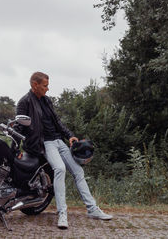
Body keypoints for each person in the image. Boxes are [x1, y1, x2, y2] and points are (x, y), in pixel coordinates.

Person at [15, 71, 112, 229]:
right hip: (45, 143)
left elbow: (57, 122)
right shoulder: (24, 102)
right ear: (35, 85)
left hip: (59, 141)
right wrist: (15, 148)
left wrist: (70, 136)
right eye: (45, 85)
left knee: (78, 172)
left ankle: (92, 209)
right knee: (59, 169)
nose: (48, 88)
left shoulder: (46, 100)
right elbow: (18, 127)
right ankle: (62, 214)